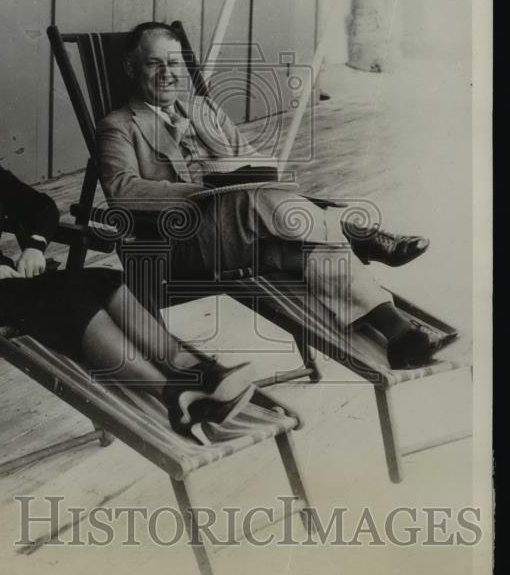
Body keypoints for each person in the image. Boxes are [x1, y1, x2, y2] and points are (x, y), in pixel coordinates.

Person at [0, 45, 262, 445]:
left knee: (104, 279)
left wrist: (34, 246)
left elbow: (36, 204)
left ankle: (197, 371)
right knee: (67, 293)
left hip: (4, 286)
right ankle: (174, 396)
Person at [96, 22, 457, 370]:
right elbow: (121, 190)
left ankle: (400, 334)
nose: (167, 73)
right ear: (131, 68)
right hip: (183, 240)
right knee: (258, 202)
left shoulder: (203, 109)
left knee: (311, 247)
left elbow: (250, 160)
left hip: (248, 230)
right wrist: (203, 191)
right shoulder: (120, 125)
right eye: (153, 63)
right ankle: (352, 231)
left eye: (174, 63)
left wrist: (233, 168)